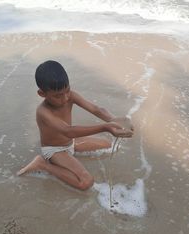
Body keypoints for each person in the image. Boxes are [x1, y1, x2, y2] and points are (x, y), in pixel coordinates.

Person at [17, 60, 133, 190]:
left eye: (67, 90)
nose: (65, 98)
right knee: (86, 182)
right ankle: (43, 165)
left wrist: (115, 120)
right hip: (55, 150)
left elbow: (96, 109)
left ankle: (69, 154)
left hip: (70, 142)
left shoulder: (70, 96)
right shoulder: (43, 112)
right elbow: (68, 131)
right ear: (42, 94)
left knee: (108, 144)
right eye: (58, 96)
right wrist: (105, 127)